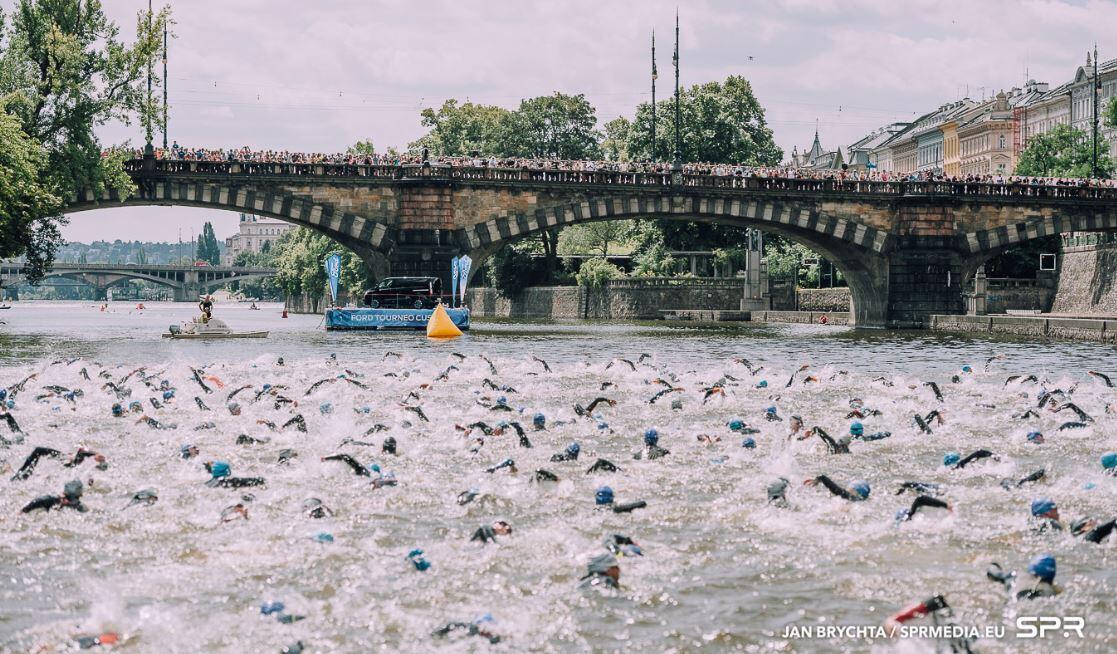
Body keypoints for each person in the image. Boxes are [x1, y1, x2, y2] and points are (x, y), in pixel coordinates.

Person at [21, 479, 87, 513]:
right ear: (62, 495)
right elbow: (29, 506)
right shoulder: (49, 500)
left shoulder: (78, 506)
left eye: (75, 499)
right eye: (68, 498)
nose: (69, 502)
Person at [805, 475, 870, 502]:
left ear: (854, 490)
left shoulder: (849, 496)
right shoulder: (859, 501)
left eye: (850, 487)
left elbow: (835, 489)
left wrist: (820, 478)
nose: (847, 489)